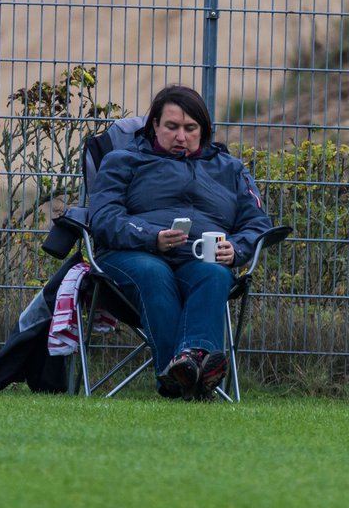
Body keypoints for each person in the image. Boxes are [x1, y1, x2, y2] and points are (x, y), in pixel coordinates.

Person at [87, 85, 273, 400]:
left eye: (190, 128)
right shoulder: (123, 161)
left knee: (214, 273)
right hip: (132, 256)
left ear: (203, 130)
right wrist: (151, 238)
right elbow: (104, 218)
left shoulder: (230, 169)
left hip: (201, 259)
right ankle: (193, 376)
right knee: (154, 273)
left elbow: (258, 223)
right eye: (171, 127)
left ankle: (185, 372)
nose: (181, 136)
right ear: (154, 126)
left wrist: (237, 248)